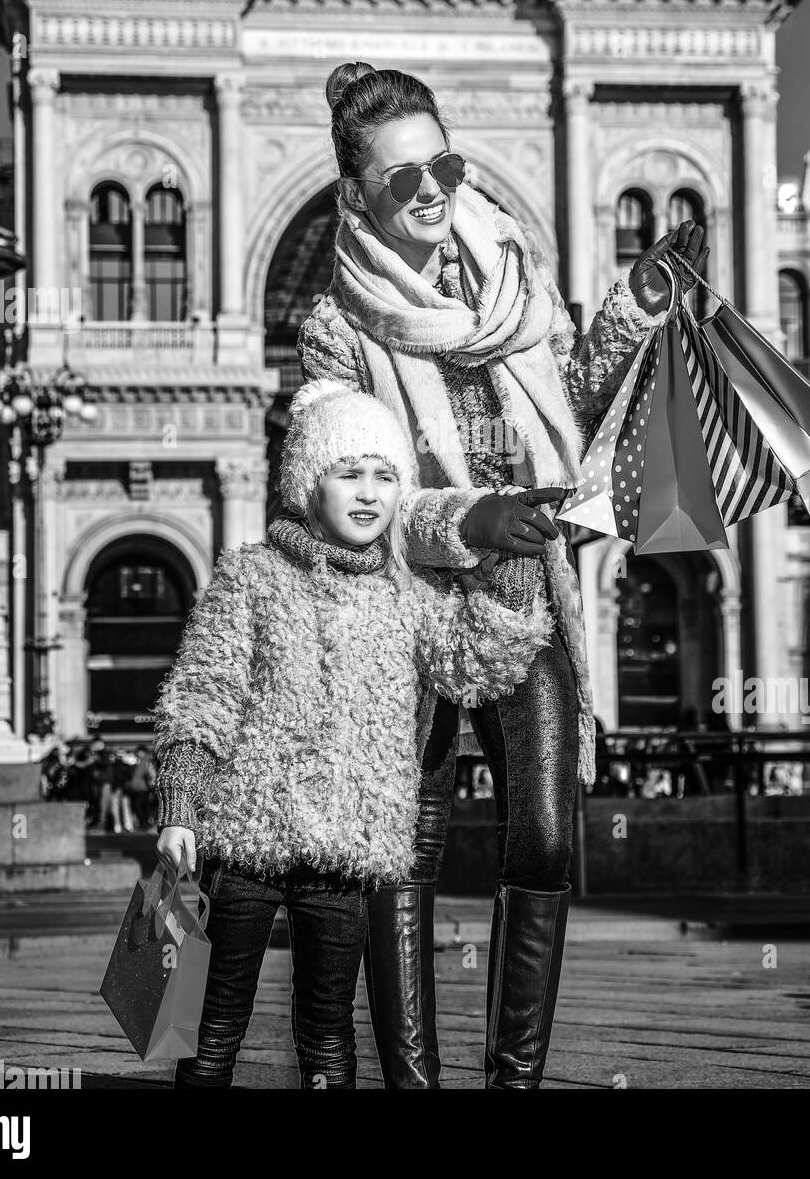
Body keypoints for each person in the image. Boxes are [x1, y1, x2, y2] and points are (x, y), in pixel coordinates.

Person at [298, 61, 703, 1087]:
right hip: (409, 616)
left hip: (526, 598)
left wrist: (636, 307)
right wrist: (472, 513)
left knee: (548, 833)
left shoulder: (511, 280)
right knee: (405, 849)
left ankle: (513, 1082)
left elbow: (561, 407)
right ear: (357, 194)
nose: (433, 190)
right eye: (403, 179)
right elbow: (347, 496)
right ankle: (416, 1084)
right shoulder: (339, 331)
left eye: (446, 163)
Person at [152, 379, 552, 1089]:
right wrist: (182, 803)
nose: (368, 492)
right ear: (309, 484)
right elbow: (204, 692)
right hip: (246, 841)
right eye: (348, 472)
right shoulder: (251, 577)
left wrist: (510, 563)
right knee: (213, 1025)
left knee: (328, 1034)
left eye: (385, 475)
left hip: (350, 846)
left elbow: (476, 660)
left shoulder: (409, 595)